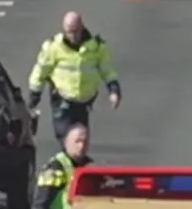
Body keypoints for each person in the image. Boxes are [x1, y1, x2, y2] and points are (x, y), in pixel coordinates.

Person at [27, 11, 122, 143]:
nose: (73, 36)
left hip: (85, 101)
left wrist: (114, 89)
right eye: (69, 32)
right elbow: (41, 70)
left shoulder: (96, 47)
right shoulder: (54, 47)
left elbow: (107, 70)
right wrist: (34, 95)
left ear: (82, 27)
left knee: (80, 140)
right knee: (65, 137)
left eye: (76, 31)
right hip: (62, 99)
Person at [33, 123, 92, 209]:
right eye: (77, 141)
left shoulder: (89, 168)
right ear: (66, 143)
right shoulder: (55, 168)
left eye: (85, 142)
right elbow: (40, 205)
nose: (81, 146)